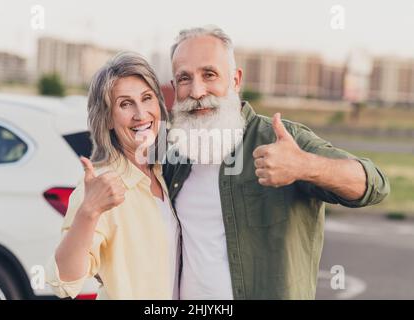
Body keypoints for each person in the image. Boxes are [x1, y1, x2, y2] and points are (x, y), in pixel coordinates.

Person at [163, 26, 390, 299]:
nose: (197, 90)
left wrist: (304, 166)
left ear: (235, 80)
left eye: (209, 74)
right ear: (175, 88)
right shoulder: (174, 156)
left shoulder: (281, 140)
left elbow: (374, 184)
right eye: (185, 78)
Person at [45, 52, 180, 300]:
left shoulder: (163, 172)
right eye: (125, 104)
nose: (141, 114)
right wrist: (88, 212)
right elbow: (63, 281)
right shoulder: (103, 185)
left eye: (147, 98)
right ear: (107, 118)